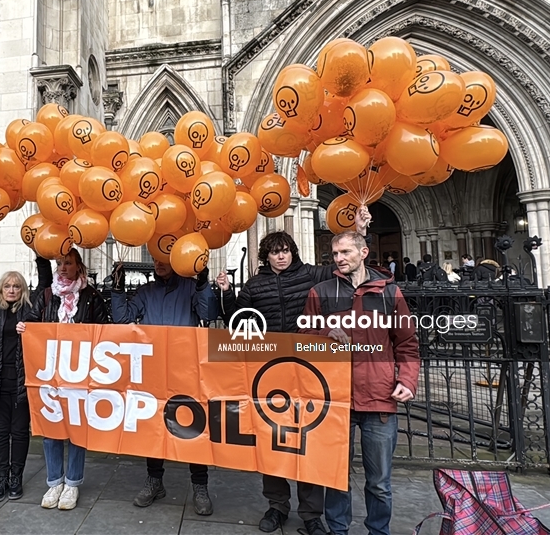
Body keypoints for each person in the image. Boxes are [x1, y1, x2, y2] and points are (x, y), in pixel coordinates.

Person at [214, 207, 370, 535]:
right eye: (274, 252)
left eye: (285, 250)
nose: (280, 256)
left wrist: (360, 233)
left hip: (308, 367)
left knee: (307, 440)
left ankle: (311, 512)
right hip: (270, 370)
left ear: (292, 252)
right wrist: (226, 293)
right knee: (272, 439)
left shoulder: (311, 275)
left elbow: (344, 271)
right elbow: (239, 318)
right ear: (266, 256)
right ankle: (277, 505)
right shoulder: (255, 285)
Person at [301, 231, 419, 535]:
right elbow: (303, 341)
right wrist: (325, 331)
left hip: (378, 398)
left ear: (364, 252)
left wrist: (407, 379)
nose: (339, 258)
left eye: (346, 252)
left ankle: (378, 531)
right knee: (336, 476)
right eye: (335, 253)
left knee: (379, 482)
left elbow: (406, 343)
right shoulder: (320, 292)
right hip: (336, 398)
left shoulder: (390, 293)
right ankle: (337, 530)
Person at [110, 257, 216, 516]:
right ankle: (154, 480)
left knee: (193, 426)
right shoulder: (145, 292)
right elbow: (122, 319)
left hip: (185, 368)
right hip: (154, 370)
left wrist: (203, 284)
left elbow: (208, 314)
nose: (158, 263)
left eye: (164, 259)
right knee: (154, 427)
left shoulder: (190, 287)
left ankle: (200, 486)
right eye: (155, 259)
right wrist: (117, 290)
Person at [23, 248, 110, 511]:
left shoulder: (91, 297)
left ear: (78, 267)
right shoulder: (48, 295)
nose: (62, 267)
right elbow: (30, 322)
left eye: (68, 263)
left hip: (80, 372)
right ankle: (54, 482)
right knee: (51, 427)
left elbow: (105, 330)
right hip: (51, 372)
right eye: (59, 263)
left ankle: (72, 483)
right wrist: (24, 328)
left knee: (76, 427)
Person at [0, 235, 51, 502]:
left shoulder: (29, 310)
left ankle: (17, 478)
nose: (12, 290)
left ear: (22, 290)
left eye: (16, 286)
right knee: (0, 433)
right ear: (1, 290)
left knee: (19, 432)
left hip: (21, 383)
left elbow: (46, 283)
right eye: (7, 286)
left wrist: (39, 253)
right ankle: (1, 478)